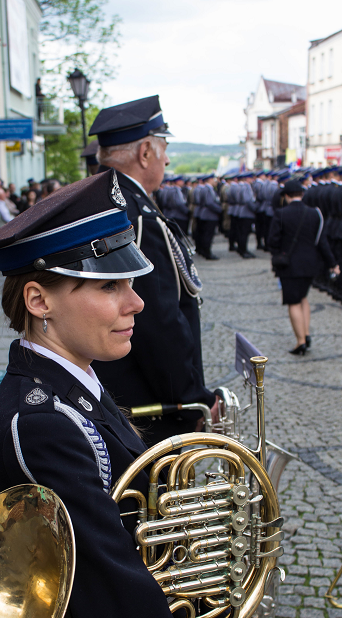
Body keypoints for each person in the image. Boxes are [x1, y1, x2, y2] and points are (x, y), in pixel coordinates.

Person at [0, 169, 249, 618]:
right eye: (109, 286)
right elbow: (115, 601)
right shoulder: (40, 422)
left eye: (129, 280)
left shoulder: (78, 385)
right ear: (38, 300)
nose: (137, 302)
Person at [88, 95, 218, 445]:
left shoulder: (98, 199)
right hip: (149, 405)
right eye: (163, 148)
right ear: (145, 152)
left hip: (111, 388)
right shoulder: (137, 215)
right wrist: (191, 400)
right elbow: (156, 320)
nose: (168, 158)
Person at [268, 179, 339, 354]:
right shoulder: (315, 213)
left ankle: (300, 342)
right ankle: (306, 333)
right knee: (303, 298)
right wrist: (333, 264)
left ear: (285, 196)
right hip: (310, 264)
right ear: (302, 194)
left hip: (289, 265)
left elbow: (272, 241)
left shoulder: (281, 213)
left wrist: (279, 252)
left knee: (293, 302)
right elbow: (322, 243)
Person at [196, 172, 222, 260]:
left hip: (206, 214)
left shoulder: (205, 188)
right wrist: (219, 209)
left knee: (205, 234)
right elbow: (210, 203)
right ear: (210, 180)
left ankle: (205, 251)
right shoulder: (208, 189)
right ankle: (207, 253)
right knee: (208, 235)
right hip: (209, 215)